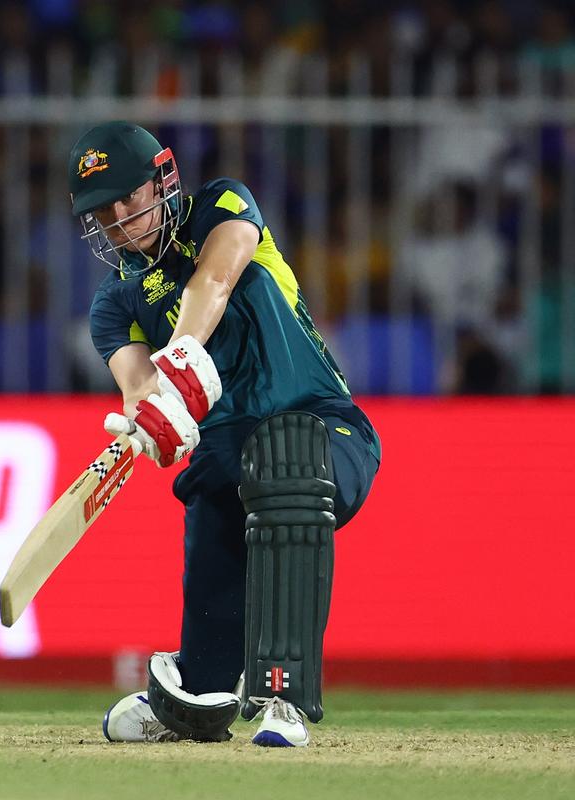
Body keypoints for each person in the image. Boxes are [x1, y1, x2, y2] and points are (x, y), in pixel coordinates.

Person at [70, 122, 381, 747]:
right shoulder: (114, 305)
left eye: (130, 196)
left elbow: (212, 280)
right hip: (232, 445)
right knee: (211, 478)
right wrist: (149, 419)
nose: (120, 217)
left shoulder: (224, 206)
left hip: (325, 423)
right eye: (103, 209)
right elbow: (137, 386)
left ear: (164, 179)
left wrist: (178, 354)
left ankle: (283, 695)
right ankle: (197, 694)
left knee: (286, 468)